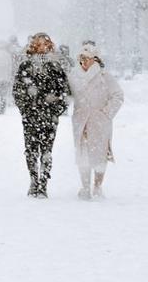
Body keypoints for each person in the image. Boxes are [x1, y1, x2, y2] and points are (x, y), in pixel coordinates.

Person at [12, 32, 70, 198]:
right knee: (30, 150)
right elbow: (17, 91)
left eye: (45, 44)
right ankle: (33, 180)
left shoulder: (56, 67)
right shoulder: (26, 66)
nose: (41, 47)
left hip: (49, 118)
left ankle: (43, 183)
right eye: (38, 44)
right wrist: (25, 108)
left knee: (46, 151)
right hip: (30, 116)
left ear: (50, 45)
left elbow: (65, 92)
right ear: (33, 46)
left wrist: (56, 109)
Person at [68, 41, 124, 200]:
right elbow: (67, 95)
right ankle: (85, 187)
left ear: (96, 59)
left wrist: (106, 113)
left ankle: (98, 187)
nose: (83, 61)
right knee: (82, 154)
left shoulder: (105, 77)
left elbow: (118, 96)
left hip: (100, 121)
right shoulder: (73, 75)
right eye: (81, 57)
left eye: (87, 57)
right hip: (81, 120)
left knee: (99, 155)